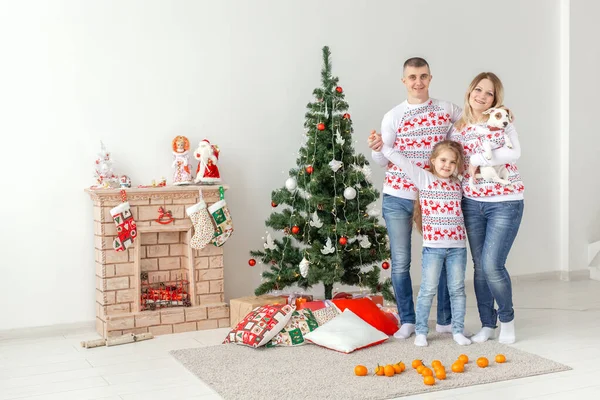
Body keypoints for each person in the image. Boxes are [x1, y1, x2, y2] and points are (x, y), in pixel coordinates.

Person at [370, 57, 462, 339]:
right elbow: (381, 160)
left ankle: (445, 320)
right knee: (400, 261)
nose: (418, 82)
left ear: (430, 78)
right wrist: (376, 148)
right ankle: (408, 320)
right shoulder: (393, 115)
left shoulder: (446, 109)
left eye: (423, 76)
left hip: (437, 198)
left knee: (445, 254)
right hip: (398, 195)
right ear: (404, 81)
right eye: (412, 77)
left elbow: (468, 130)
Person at [369, 137, 471, 347]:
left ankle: (458, 330)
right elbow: (402, 161)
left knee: (458, 289)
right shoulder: (424, 179)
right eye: (443, 160)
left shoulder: (458, 184)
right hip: (434, 248)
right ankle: (422, 331)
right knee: (427, 289)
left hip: (458, 248)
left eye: (452, 162)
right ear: (433, 161)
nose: (447, 166)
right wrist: (383, 147)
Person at [449, 72, 524, 344]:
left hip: (505, 202)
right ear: (470, 92)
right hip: (472, 202)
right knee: (480, 267)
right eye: (478, 90)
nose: (481, 96)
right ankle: (487, 324)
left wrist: (477, 160)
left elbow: (514, 152)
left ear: (496, 99)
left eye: (488, 93)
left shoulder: (502, 122)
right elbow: (452, 158)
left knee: (493, 265)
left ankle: (507, 320)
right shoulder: (457, 127)